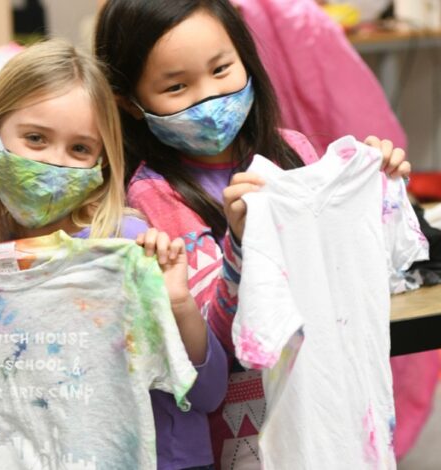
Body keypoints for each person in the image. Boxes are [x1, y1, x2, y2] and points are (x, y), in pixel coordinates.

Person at [0, 38, 227, 469]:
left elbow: (209, 393)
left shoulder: (124, 247)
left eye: (80, 149)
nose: (55, 163)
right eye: (36, 139)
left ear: (102, 162)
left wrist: (177, 304)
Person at [94, 1, 411, 468]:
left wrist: (376, 192)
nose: (209, 97)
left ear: (245, 58)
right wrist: (241, 246)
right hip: (229, 436)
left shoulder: (294, 152)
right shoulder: (147, 203)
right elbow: (210, 353)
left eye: (221, 69)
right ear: (130, 103)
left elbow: (353, 280)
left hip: (321, 415)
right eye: (177, 86)